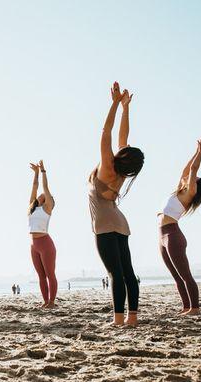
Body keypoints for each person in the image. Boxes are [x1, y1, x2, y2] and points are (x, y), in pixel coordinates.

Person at [88, 82, 144, 327]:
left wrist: (113, 104)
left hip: (104, 224)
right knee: (128, 272)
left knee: (115, 274)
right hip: (120, 223)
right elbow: (122, 136)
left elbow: (106, 132)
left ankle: (118, 320)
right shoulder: (122, 171)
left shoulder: (108, 165)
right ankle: (132, 317)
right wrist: (125, 108)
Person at [158, 137, 201, 316]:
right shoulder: (178, 192)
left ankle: (194, 308)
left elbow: (193, 169)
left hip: (173, 235)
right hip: (162, 236)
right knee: (176, 275)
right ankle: (186, 307)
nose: (188, 178)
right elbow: (186, 170)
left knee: (185, 274)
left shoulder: (189, 194)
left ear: (195, 186)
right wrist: (195, 152)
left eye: (192, 179)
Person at [28, 160, 57, 308]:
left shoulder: (47, 208)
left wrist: (44, 171)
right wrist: (36, 173)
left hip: (45, 243)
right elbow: (35, 186)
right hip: (34, 244)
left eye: (43, 195)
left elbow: (45, 187)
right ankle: (45, 301)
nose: (40, 195)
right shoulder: (32, 207)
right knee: (40, 276)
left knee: (49, 274)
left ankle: (52, 302)